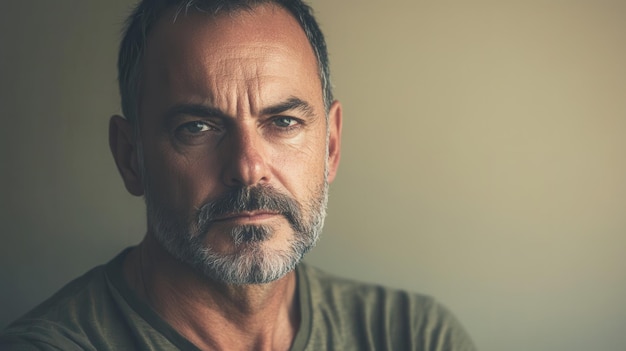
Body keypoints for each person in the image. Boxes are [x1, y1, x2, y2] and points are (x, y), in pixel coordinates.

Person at [0, 0, 476, 350]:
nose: (248, 166)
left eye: (283, 122)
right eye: (197, 127)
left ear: (330, 145)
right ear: (131, 157)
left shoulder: (414, 335)